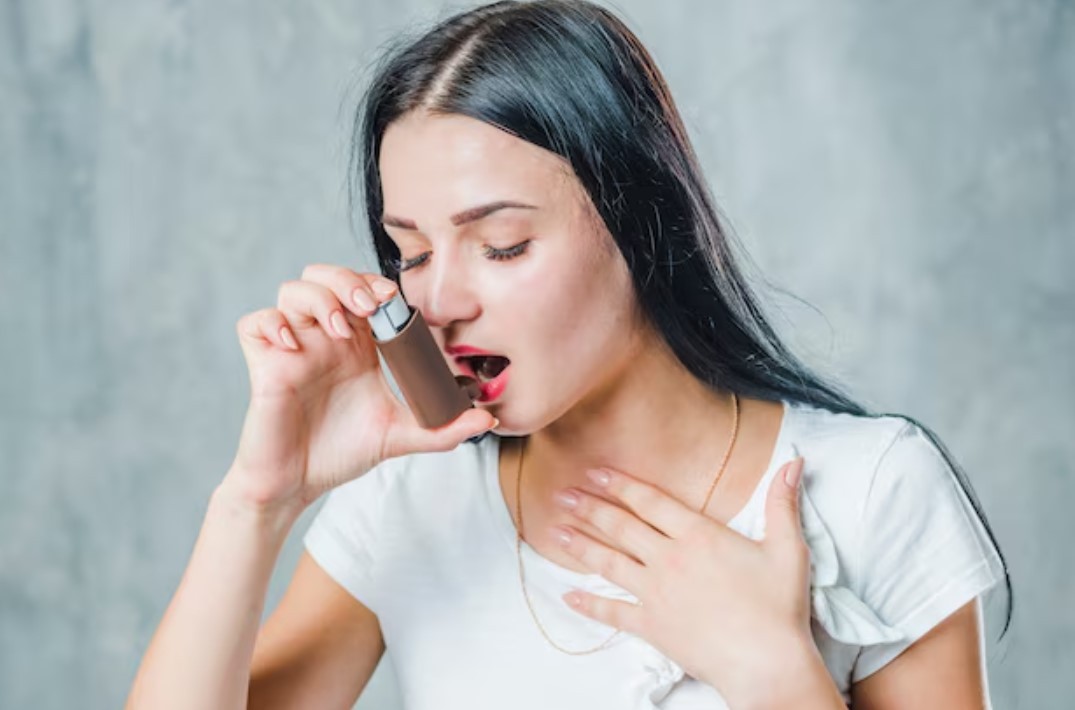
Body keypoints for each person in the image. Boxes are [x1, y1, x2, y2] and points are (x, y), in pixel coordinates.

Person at [125, 1, 1012, 708]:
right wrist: (258, 500)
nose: (438, 300)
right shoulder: (412, 496)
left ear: (640, 222)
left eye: (501, 245)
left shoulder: (872, 490)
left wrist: (773, 673)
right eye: (412, 253)